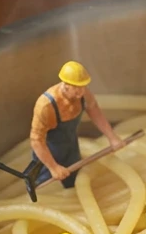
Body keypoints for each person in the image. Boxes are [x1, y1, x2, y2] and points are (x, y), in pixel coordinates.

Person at [23, 61, 125, 190]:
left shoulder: (82, 93)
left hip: (71, 148)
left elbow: (94, 109)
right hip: (47, 154)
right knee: (42, 188)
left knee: (75, 182)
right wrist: (53, 167)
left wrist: (112, 137)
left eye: (83, 87)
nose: (81, 92)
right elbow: (36, 141)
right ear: (66, 85)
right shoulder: (46, 106)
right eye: (76, 88)